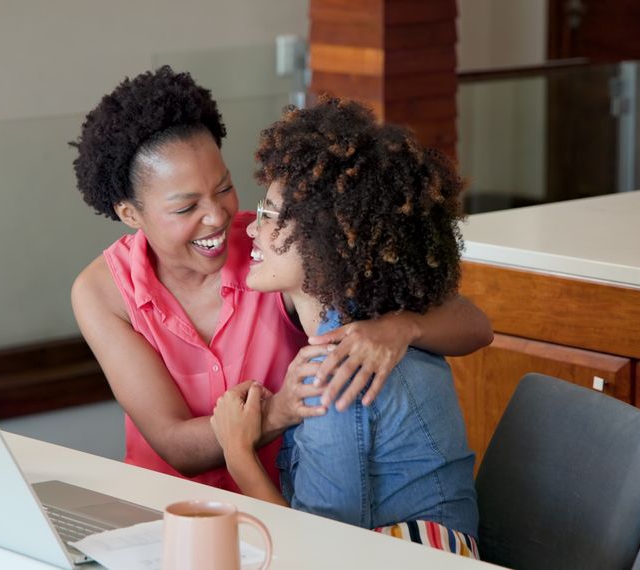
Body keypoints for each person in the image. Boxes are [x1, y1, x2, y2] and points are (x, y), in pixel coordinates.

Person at [69, 67, 492, 492]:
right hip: (167, 513)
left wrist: (401, 326)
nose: (217, 217)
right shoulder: (102, 292)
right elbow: (175, 445)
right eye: (185, 208)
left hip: (288, 514)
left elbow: (473, 323)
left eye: (223, 188)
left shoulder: (278, 249)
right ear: (130, 214)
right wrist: (280, 412)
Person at [211, 98, 479, 557]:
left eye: (271, 216)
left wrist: (238, 453)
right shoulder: (383, 319)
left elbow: (317, 554)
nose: (252, 231)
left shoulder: (339, 369)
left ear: (327, 243)